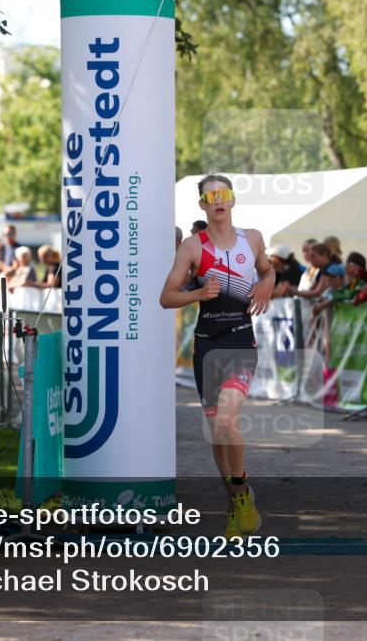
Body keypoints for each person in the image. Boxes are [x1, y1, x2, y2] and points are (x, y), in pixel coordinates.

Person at [159, 174, 273, 539]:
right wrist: (197, 295)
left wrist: (266, 283)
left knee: (227, 421)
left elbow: (268, 269)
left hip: (240, 340)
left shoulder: (251, 238)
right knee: (217, 435)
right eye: (211, 197)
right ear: (203, 205)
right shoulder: (192, 247)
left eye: (223, 194)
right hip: (207, 345)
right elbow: (166, 297)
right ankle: (238, 503)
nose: (218, 201)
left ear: (232, 200)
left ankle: (242, 494)